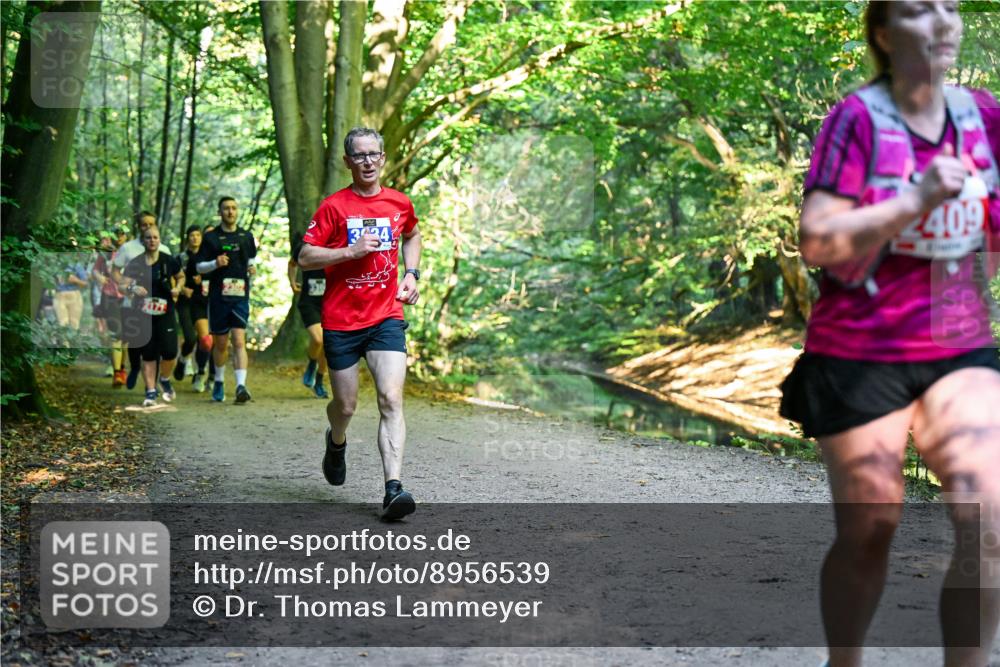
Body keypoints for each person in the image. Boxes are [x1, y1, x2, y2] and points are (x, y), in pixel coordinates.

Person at [779, 2, 1000, 665]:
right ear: (883, 32)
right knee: (871, 527)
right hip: (861, 347)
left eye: (949, 7)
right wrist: (915, 199)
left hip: (958, 341)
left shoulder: (983, 118)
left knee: (989, 521)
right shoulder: (858, 119)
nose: (942, 21)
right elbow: (817, 239)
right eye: (918, 9)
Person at [299, 127, 422, 521]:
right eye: (359, 155)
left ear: (382, 158)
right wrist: (348, 252)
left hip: (386, 316)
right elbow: (305, 256)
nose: (367, 162)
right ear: (347, 161)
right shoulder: (334, 207)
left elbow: (413, 234)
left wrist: (412, 273)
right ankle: (336, 441)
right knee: (346, 406)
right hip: (342, 320)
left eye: (373, 154)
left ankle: (393, 489)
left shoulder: (399, 202)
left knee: (390, 399)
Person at [196, 197, 257, 404]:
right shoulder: (211, 238)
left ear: (237, 211)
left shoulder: (246, 236)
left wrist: (252, 268)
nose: (230, 212)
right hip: (218, 297)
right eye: (226, 209)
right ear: (220, 212)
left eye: (233, 208)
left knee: (239, 340)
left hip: (240, 296)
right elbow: (199, 267)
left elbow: (251, 259)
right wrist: (215, 263)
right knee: (221, 344)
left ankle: (241, 386)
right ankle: (219, 381)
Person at [122, 226, 184, 407]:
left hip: (165, 311)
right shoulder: (136, 263)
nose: (152, 241)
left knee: (170, 352)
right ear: (143, 241)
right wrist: (132, 288)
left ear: (159, 240)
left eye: (155, 237)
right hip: (143, 313)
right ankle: (150, 392)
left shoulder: (168, 260)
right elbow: (122, 285)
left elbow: (181, 276)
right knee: (148, 353)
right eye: (148, 238)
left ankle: (164, 378)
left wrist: (177, 288)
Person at [112, 212, 172, 390]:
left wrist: (173, 292)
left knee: (155, 343)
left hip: (156, 304)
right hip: (132, 302)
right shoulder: (128, 248)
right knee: (134, 340)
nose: (148, 227)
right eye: (144, 224)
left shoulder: (164, 249)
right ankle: (135, 367)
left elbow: (172, 274)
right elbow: (115, 272)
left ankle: (150, 384)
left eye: (151, 224)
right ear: (138, 227)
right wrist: (128, 287)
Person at [289, 232, 330, 399]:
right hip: (309, 303)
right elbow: (292, 264)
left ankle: (319, 382)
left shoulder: (335, 247)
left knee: (328, 346)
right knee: (318, 339)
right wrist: (292, 283)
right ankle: (312, 364)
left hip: (329, 304)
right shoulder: (304, 248)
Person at [174, 226, 211, 388]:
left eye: (198, 235)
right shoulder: (180, 258)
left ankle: (200, 373)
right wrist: (182, 289)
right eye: (192, 235)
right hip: (185, 302)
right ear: (187, 238)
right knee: (190, 338)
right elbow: (173, 279)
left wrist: (203, 281)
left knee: (205, 340)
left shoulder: (208, 258)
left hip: (202, 302)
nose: (195, 238)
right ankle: (183, 359)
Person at [92, 231, 127, 385]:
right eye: (116, 234)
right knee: (116, 333)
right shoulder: (106, 253)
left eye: (122, 234)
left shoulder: (132, 252)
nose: (119, 237)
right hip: (110, 297)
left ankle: (121, 367)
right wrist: (99, 277)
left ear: (126, 237)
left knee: (126, 337)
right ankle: (117, 372)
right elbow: (95, 270)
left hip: (128, 298)